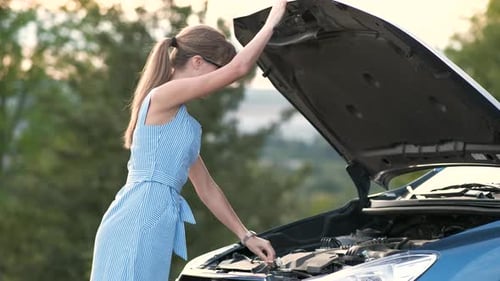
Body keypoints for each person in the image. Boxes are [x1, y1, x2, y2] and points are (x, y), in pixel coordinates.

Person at [89, 1, 287, 280]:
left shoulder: (181, 125)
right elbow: (239, 69)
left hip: (154, 221)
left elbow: (206, 188)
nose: (222, 81)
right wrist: (272, 22)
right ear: (197, 62)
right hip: (137, 218)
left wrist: (245, 235)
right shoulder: (163, 95)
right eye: (218, 69)